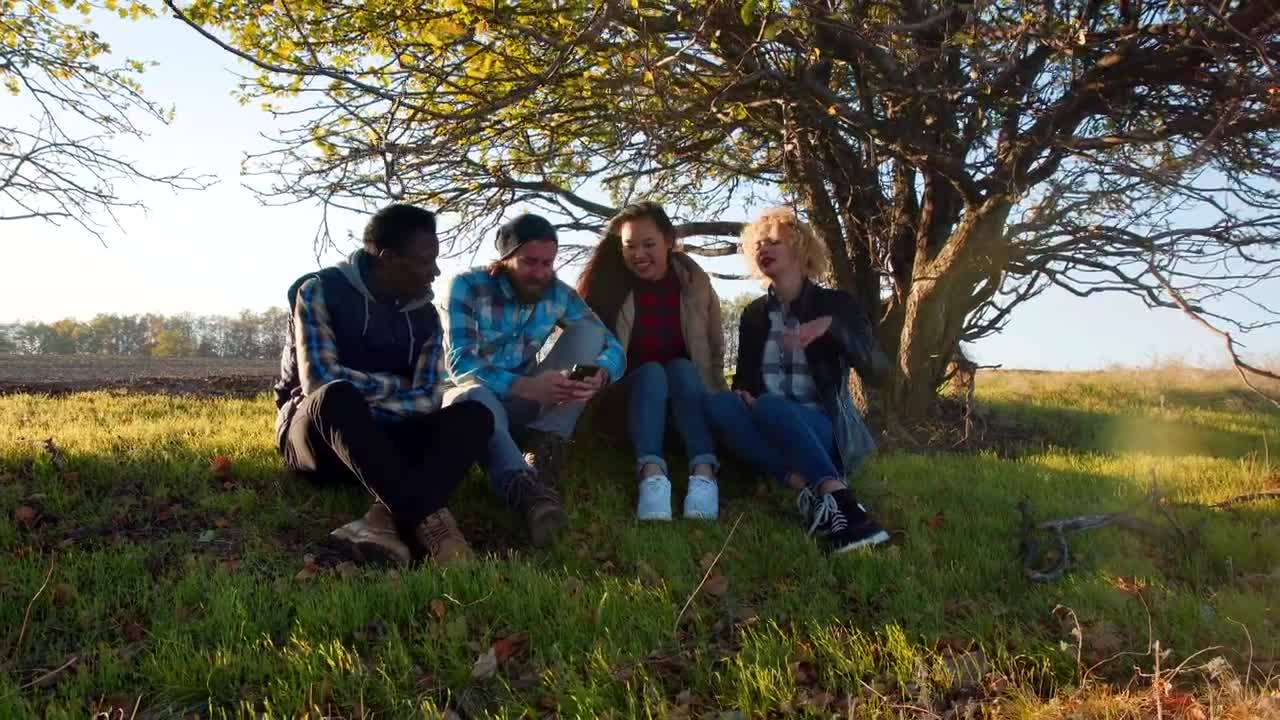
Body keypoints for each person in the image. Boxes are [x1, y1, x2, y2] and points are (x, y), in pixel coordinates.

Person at [273, 204, 494, 568]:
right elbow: (320, 381)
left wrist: (369, 398)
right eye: (426, 261)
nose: (436, 271)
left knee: (476, 415)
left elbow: (429, 398)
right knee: (336, 397)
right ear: (389, 259)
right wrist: (396, 384)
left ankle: (380, 521)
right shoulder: (318, 290)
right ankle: (435, 530)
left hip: (385, 439)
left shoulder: (426, 315)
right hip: (319, 437)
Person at [705, 207, 892, 553]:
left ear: (801, 248)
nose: (763, 248)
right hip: (768, 419)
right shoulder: (754, 315)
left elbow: (880, 373)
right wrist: (744, 395)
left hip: (824, 430)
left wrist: (832, 328)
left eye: (773, 241)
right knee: (720, 406)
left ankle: (849, 511)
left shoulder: (837, 304)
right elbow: (744, 379)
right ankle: (809, 486)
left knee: (772, 406)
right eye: (757, 244)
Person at [442, 212, 625, 547]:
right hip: (470, 402)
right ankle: (527, 491)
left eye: (547, 263)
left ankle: (544, 447)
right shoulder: (467, 286)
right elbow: (461, 363)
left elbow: (611, 344)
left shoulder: (559, 294)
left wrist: (601, 373)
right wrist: (524, 386)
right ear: (506, 259)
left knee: (590, 334)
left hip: (528, 404)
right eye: (529, 262)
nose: (540, 273)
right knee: (475, 398)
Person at [577, 201, 728, 521]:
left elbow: (715, 350)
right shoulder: (611, 286)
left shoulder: (695, 282)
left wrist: (718, 397)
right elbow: (587, 347)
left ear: (669, 240)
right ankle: (651, 474)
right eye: (630, 246)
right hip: (629, 403)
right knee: (652, 372)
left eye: (648, 244)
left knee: (681, 368)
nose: (638, 254)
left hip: (686, 401)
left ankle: (704, 472)